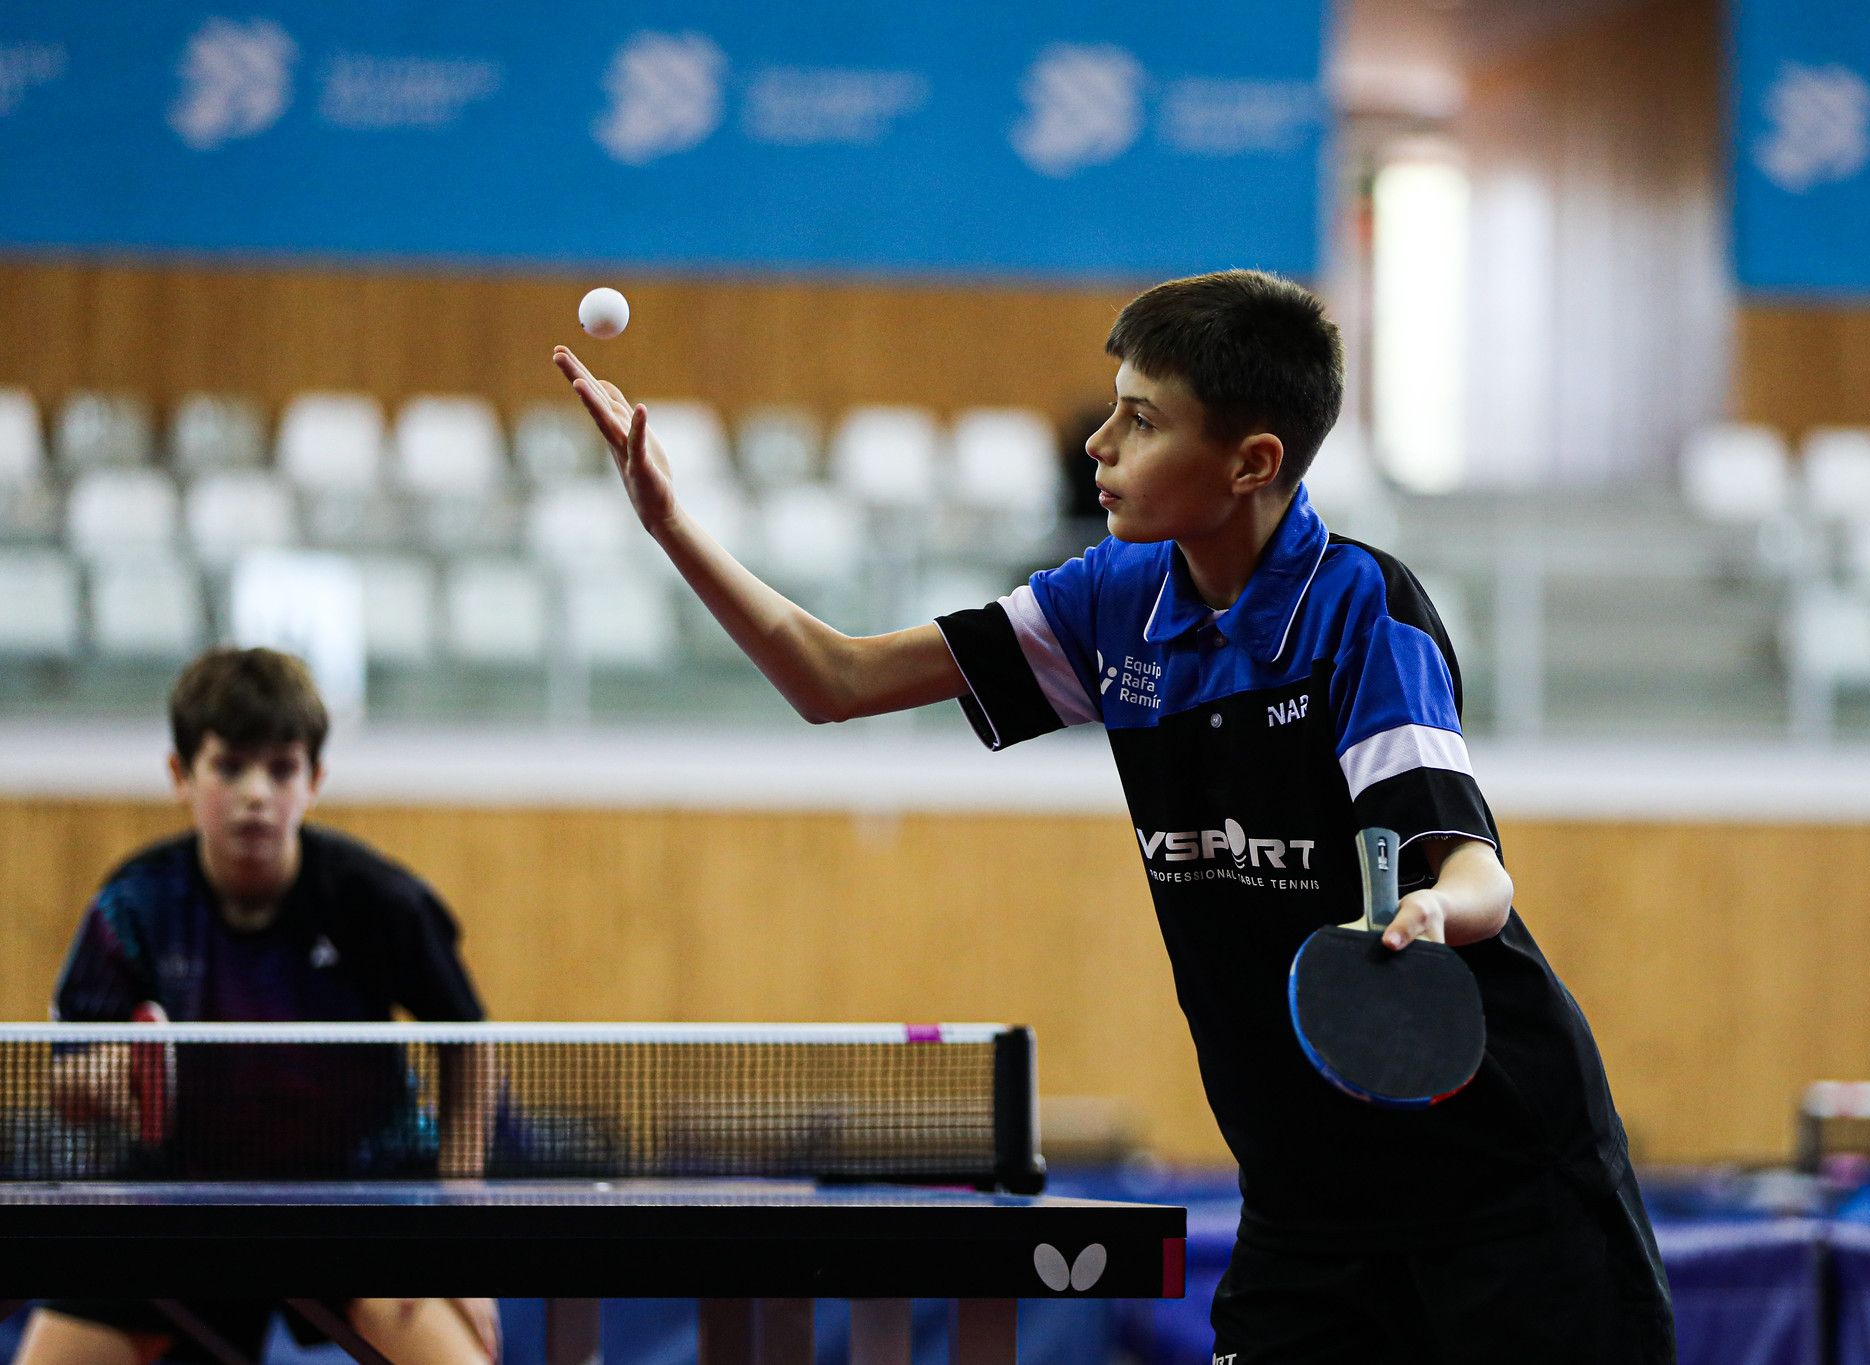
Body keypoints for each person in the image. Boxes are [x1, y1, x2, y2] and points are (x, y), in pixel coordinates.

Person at [552, 268, 1676, 1363]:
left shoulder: (1357, 611)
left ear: (1250, 461)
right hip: (1308, 1201)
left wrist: (1437, 913)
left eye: (1139, 421)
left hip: (1504, 1188)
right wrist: (667, 523)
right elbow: (832, 681)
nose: (1097, 447)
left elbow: (1471, 866)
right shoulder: (1109, 604)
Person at [22, 647, 500, 1365]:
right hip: (177, 1204)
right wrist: (97, 1082)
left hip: (361, 1198)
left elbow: (470, 1041)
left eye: (281, 768)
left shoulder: (376, 898)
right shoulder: (133, 903)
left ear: (315, 780)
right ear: (181, 774)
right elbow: (70, 1077)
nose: (256, 792)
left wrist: (458, 1215)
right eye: (230, 765)